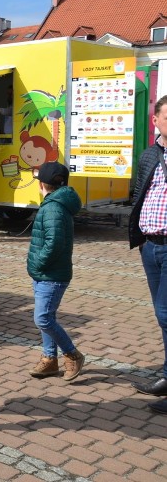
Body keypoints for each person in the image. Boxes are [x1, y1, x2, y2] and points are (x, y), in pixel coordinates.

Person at [28, 161, 85, 381]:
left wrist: (37, 264)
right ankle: (49, 360)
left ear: (42, 183)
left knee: (43, 318)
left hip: (51, 274)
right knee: (47, 316)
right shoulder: (56, 202)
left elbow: (54, 243)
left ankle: (72, 354)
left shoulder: (53, 207)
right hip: (47, 273)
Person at [128, 94, 167, 415]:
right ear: (155, 120)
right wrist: (140, 239)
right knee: (161, 314)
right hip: (150, 246)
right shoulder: (149, 155)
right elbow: (138, 195)